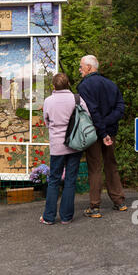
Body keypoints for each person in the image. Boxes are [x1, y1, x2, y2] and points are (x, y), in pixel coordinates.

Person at [77, 55, 127, 218]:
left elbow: (92, 111)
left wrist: (102, 130)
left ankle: (95, 206)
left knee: (95, 167)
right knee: (111, 164)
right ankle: (119, 202)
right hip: (110, 132)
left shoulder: (84, 86)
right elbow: (120, 108)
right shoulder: (111, 84)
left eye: (81, 67)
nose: (80, 70)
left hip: (94, 132)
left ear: (89, 68)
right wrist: (107, 126)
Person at [40, 73, 89, 225]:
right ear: (68, 84)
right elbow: (87, 117)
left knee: (54, 180)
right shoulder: (77, 99)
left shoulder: (48, 101)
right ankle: (67, 217)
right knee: (70, 180)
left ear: (53, 86)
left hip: (57, 146)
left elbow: (46, 121)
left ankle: (49, 217)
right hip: (75, 145)